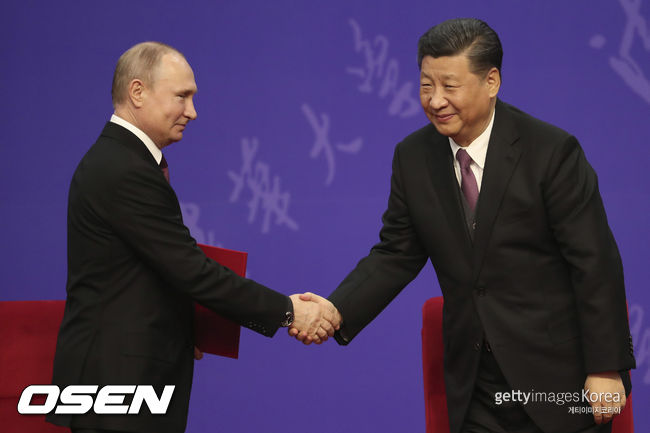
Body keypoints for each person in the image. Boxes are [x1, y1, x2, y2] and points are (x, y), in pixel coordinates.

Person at [292, 18, 635, 433]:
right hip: (474, 383)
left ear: (491, 82)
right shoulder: (414, 157)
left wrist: (606, 366)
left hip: (557, 380)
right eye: (425, 85)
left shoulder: (551, 152)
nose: (435, 100)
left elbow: (594, 262)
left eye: (449, 86)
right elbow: (396, 254)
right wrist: (336, 307)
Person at [46, 41, 339, 433]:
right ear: (138, 92)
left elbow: (146, 274)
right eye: (182, 97)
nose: (193, 112)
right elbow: (192, 271)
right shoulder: (124, 170)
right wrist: (289, 311)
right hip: (118, 387)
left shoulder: (123, 162)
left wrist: (182, 326)